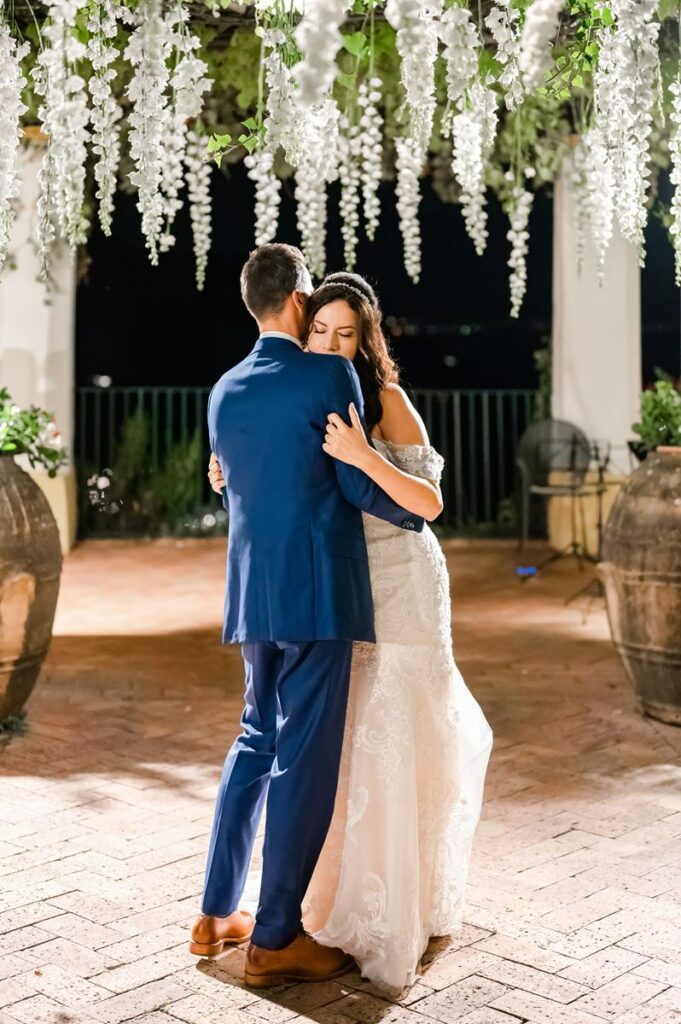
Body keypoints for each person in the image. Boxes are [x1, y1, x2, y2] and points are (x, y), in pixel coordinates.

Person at [208, 270, 493, 993]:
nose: (333, 342)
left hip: (393, 580)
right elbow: (288, 470)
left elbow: (423, 502)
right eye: (321, 330)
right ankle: (294, 920)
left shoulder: (368, 396)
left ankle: (362, 900)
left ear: (367, 339)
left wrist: (363, 455)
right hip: (332, 587)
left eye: (346, 333)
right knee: (336, 751)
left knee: (383, 732)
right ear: (302, 320)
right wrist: (229, 470)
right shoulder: (316, 384)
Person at [190, 245, 424, 989]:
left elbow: (239, 495)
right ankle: (275, 938)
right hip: (319, 596)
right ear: (297, 298)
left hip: (252, 596)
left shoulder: (223, 391)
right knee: (303, 760)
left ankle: (214, 913)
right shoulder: (326, 374)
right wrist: (416, 511)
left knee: (254, 739)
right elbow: (351, 484)